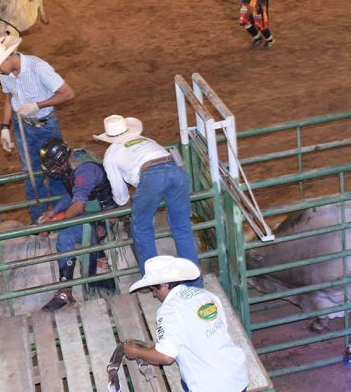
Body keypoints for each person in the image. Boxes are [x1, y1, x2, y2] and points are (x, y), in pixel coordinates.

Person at [94, 115, 202, 287]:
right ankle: (194, 283)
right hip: (176, 171)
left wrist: (125, 201)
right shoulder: (146, 140)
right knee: (182, 227)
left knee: (142, 228)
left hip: (152, 176)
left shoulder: (111, 154)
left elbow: (121, 196)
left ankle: (155, 283)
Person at [0, 35, 75, 223]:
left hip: (45, 126)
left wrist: (38, 105)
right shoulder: (6, 74)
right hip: (22, 126)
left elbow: (68, 93)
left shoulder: (38, 67)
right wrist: (5, 127)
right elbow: (10, 98)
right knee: (30, 174)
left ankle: (59, 217)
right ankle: (37, 220)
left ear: (5, 59)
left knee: (56, 170)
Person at [123, 256, 248, 392]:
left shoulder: (169, 310)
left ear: (164, 285)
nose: (154, 295)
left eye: (154, 290)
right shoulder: (206, 295)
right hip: (238, 376)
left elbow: (166, 357)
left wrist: (136, 351)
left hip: (210, 386)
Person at [36, 138, 117, 311]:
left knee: (65, 237)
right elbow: (72, 193)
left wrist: (55, 221)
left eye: (53, 167)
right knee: (63, 223)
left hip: (104, 217)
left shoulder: (84, 172)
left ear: (61, 160)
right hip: (94, 211)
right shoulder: (76, 159)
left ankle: (65, 291)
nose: (53, 171)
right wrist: (53, 212)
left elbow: (78, 205)